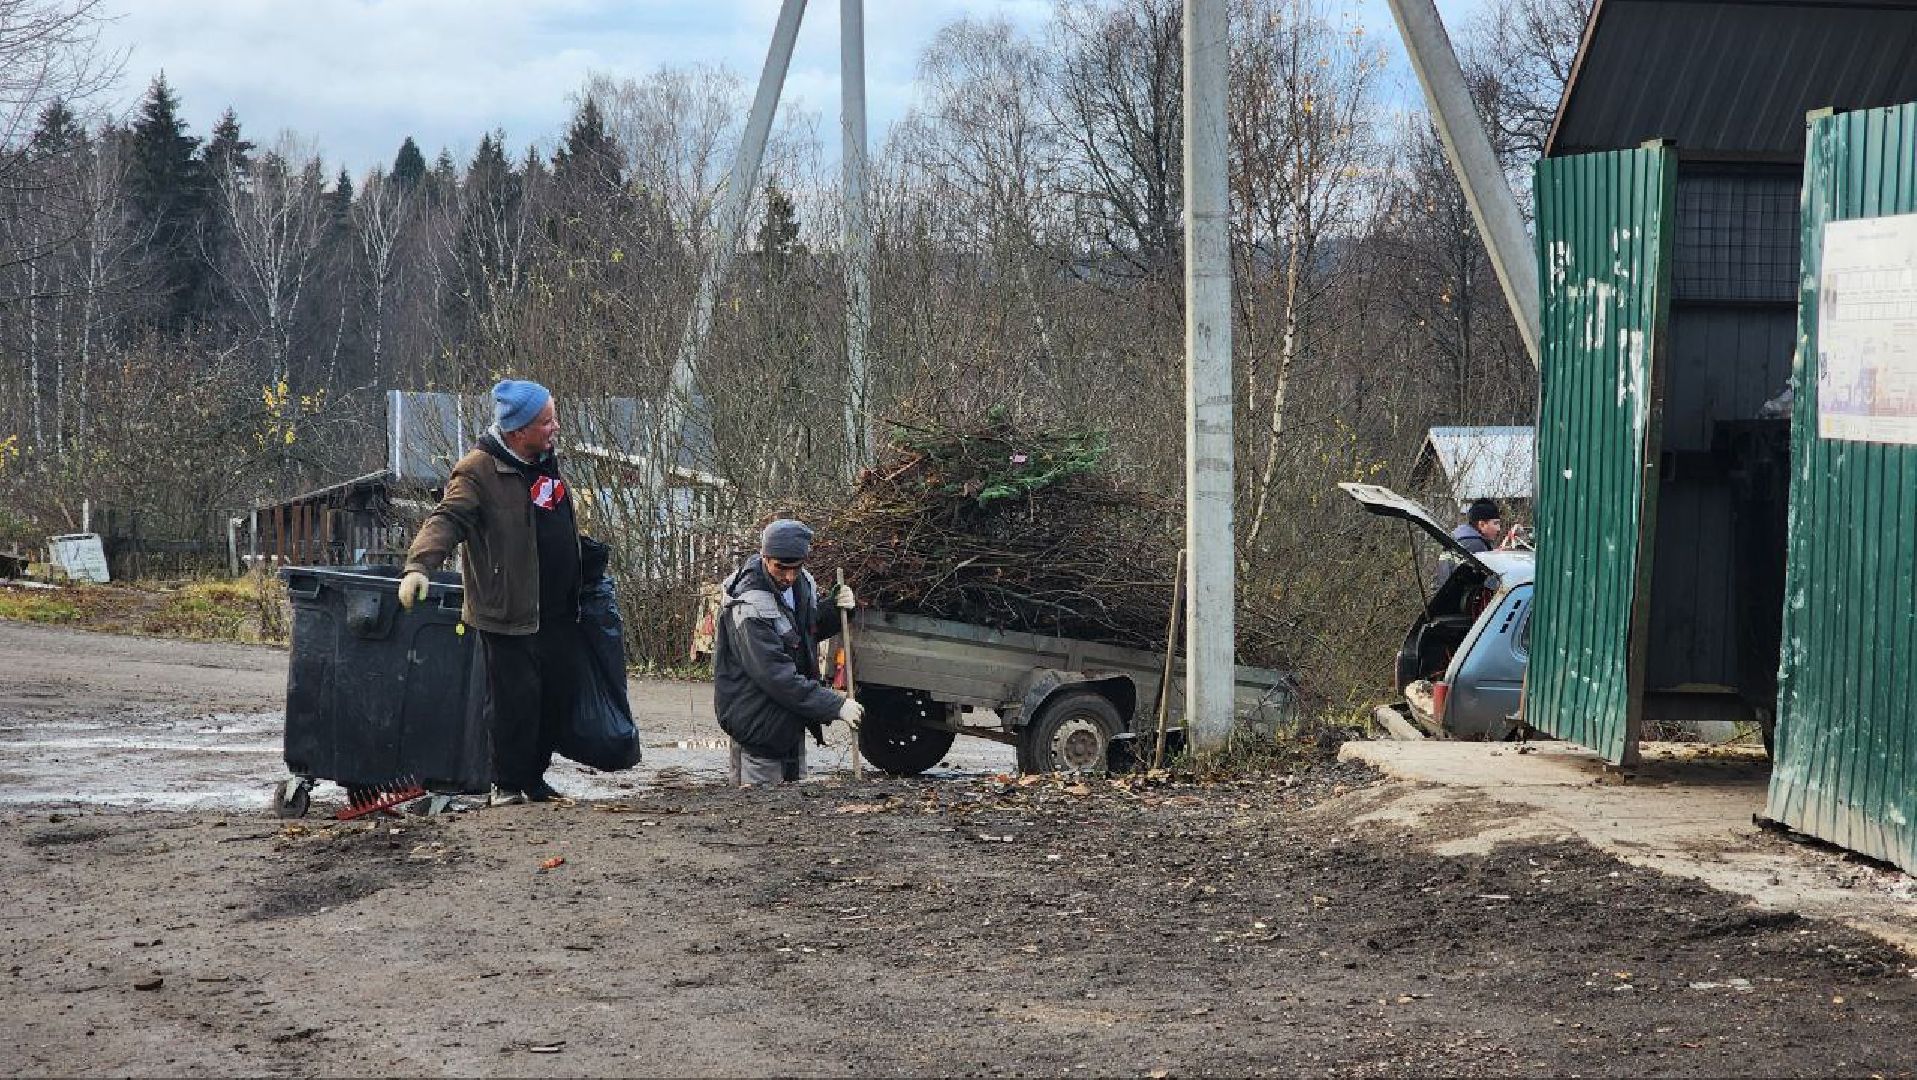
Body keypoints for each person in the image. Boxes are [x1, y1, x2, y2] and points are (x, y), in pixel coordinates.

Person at [397, 378, 580, 806]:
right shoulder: (478, 470)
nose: (555, 428)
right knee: (514, 702)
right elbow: (447, 519)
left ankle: (533, 779)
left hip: (554, 608)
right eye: (546, 422)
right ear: (518, 431)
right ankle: (507, 785)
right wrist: (419, 566)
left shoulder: (544, 462)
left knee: (555, 695)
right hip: (507, 607)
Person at [713, 519, 864, 784]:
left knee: (794, 803)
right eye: (781, 568)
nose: (789, 576)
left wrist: (836, 609)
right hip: (758, 725)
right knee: (760, 806)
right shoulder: (749, 606)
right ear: (764, 557)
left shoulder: (802, 584)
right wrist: (834, 705)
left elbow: (804, 633)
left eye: (796, 568)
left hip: (788, 722)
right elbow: (776, 675)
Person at [1436, 498, 1504, 587]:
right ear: (1482, 524)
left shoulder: (1458, 539)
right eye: (1495, 523)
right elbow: (1491, 585)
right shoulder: (1475, 545)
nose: (1498, 529)